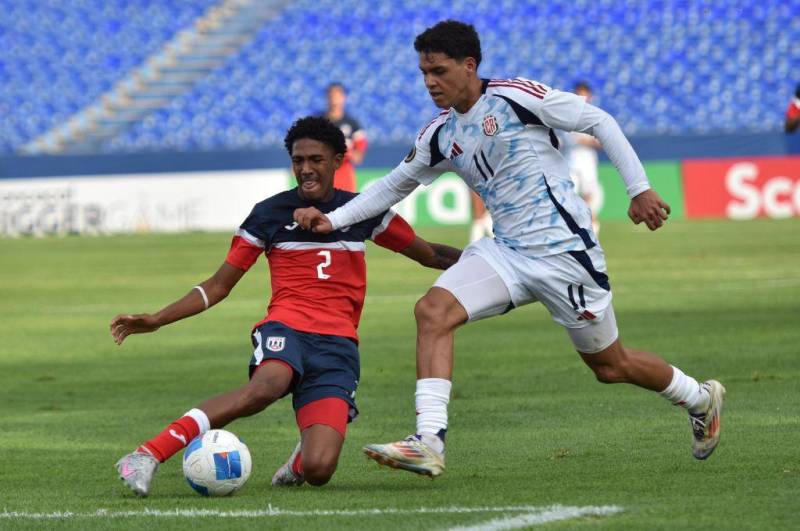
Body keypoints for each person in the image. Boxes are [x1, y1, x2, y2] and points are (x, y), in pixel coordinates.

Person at [294, 20, 725, 478]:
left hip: (565, 255)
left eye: (438, 71)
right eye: (423, 73)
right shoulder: (439, 134)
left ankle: (700, 398)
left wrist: (638, 189)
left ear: (469, 65)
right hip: (507, 253)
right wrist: (334, 219)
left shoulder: (516, 97)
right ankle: (429, 440)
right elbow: (394, 185)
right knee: (432, 311)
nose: (429, 82)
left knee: (611, 365)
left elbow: (599, 120)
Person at [111, 116, 461, 496]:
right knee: (267, 386)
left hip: (338, 346)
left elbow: (429, 254)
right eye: (298, 161)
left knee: (320, 469)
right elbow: (218, 285)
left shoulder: (364, 211)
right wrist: (159, 319)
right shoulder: (269, 214)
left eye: (316, 159)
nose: (306, 169)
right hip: (287, 328)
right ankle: (146, 455)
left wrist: (490, 259)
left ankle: (301, 457)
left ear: (338, 160)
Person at [567, 81, 604, 236]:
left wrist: (593, 142)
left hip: (587, 159)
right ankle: (578, 227)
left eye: (584, 94)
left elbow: (603, 141)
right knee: (570, 195)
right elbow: (568, 139)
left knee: (589, 194)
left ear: (589, 95)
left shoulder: (595, 115)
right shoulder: (567, 114)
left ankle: (591, 226)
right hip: (570, 159)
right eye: (579, 94)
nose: (582, 97)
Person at [321, 82, 368, 192]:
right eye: (331, 96)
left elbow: (358, 157)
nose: (334, 100)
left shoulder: (352, 124)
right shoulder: (317, 122)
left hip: (344, 178)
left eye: (337, 96)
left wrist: (344, 151)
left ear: (343, 98)